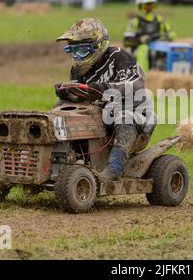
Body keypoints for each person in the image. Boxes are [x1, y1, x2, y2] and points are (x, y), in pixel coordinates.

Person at [56, 18, 155, 181]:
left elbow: (136, 86)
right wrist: (67, 92)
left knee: (124, 118)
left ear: (97, 45)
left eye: (81, 50)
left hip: (136, 114)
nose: (77, 56)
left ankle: (113, 168)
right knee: (60, 110)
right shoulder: (77, 70)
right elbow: (82, 96)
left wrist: (105, 88)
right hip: (101, 114)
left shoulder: (119, 57)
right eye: (73, 50)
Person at [123, 0, 175, 72]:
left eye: (151, 6)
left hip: (157, 44)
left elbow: (171, 34)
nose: (149, 9)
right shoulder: (135, 21)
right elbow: (127, 40)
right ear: (140, 7)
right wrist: (140, 40)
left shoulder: (160, 20)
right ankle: (143, 76)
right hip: (139, 47)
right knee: (143, 50)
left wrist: (165, 37)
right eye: (146, 6)